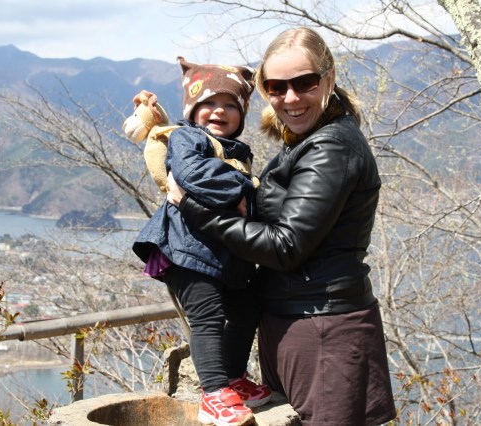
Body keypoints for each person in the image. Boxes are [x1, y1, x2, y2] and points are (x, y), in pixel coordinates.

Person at [167, 28, 397, 425]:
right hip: (295, 324)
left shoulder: (331, 147)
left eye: (304, 82)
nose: (290, 98)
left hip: (323, 330)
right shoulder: (305, 140)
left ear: (329, 78)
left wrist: (192, 207)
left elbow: (284, 246)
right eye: (276, 87)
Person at [132, 56, 271, 426]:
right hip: (186, 249)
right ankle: (214, 395)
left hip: (224, 254)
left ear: (242, 114)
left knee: (246, 310)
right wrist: (245, 187)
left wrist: (250, 193)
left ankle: (233, 378)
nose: (219, 111)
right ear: (192, 110)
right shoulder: (187, 138)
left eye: (230, 105)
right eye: (208, 103)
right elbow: (194, 176)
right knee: (207, 316)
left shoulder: (238, 150)